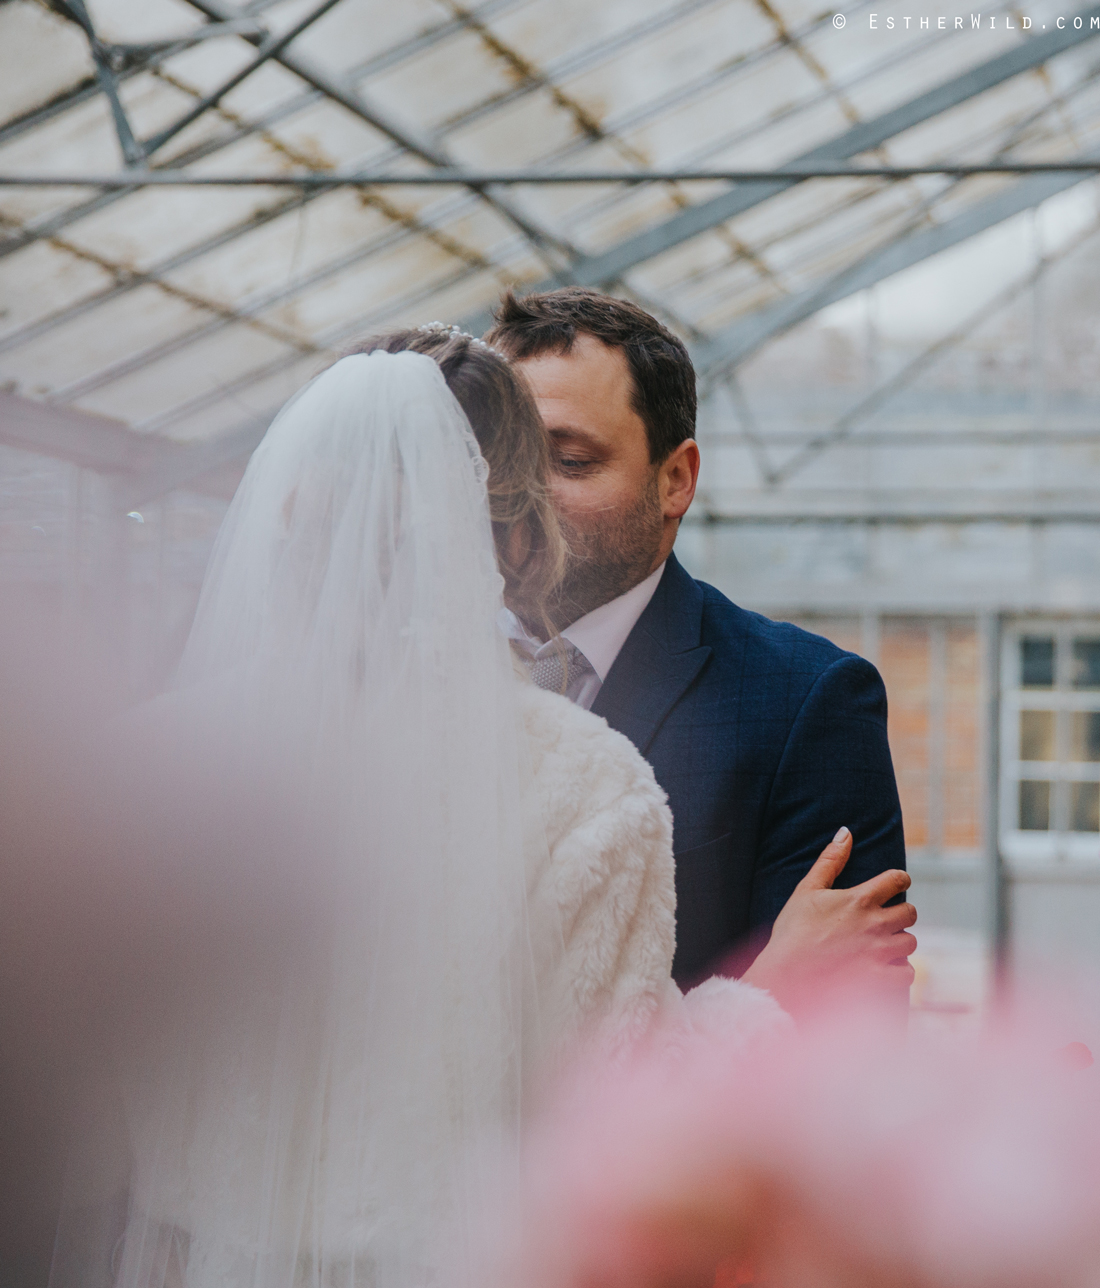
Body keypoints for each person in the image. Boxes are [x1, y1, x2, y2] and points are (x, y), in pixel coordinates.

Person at [51, 331, 866, 1288]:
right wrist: (762, 1003)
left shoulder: (141, 768)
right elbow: (617, 1129)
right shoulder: (584, 785)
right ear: (523, 540)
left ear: (286, 513)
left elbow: (80, 1120)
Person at [486, 289, 915, 1002]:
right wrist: (768, 984)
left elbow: (847, 1043)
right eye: (504, 462)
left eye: (568, 460)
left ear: (675, 480)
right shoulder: (400, 675)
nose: (522, 496)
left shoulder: (805, 702)